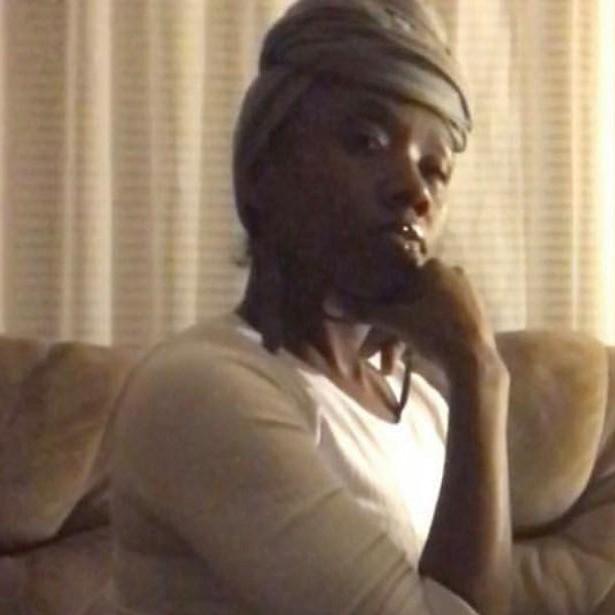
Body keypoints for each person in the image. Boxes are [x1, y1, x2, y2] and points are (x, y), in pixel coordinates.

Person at [110, 0, 512, 613]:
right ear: (261, 173)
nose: (414, 190)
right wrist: (481, 372)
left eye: (435, 169)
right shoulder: (200, 389)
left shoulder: (425, 412)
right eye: (366, 141)